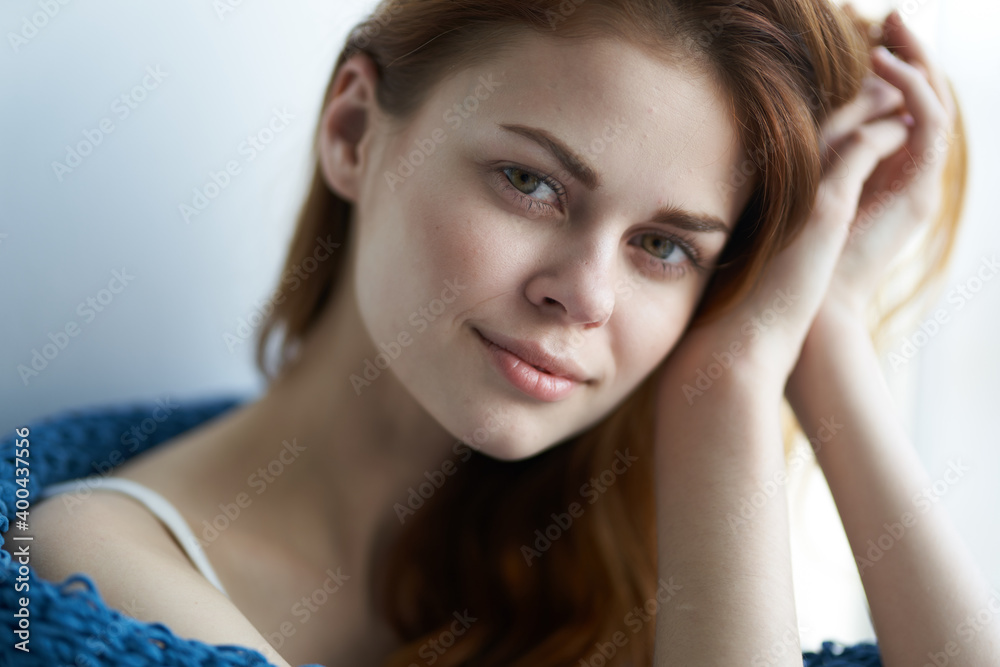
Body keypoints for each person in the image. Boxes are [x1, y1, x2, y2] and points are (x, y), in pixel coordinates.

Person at [4, 0, 995, 665]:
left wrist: (809, 336)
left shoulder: (618, 561)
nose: (583, 293)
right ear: (353, 131)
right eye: (532, 183)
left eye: (663, 246)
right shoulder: (87, 561)